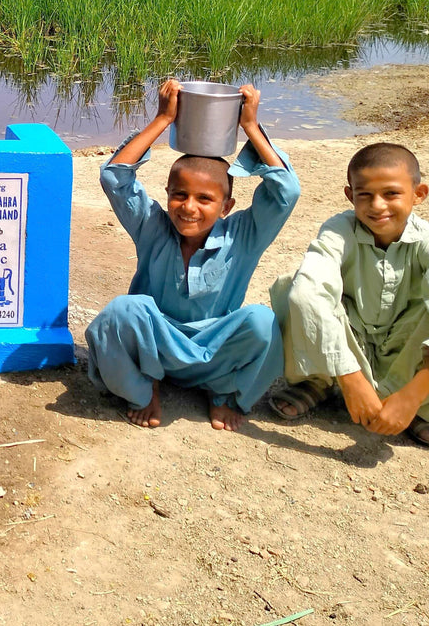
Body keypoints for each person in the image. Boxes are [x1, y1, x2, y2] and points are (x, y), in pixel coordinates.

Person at [85, 79, 301, 431]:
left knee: (262, 322)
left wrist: (249, 125)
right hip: (154, 347)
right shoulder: (152, 226)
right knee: (122, 311)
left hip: (213, 351)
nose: (188, 207)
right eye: (179, 194)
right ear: (167, 193)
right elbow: (114, 178)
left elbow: (286, 191)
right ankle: (143, 390)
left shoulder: (244, 235)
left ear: (227, 206)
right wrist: (163, 119)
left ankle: (223, 393)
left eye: (204, 199)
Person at [269, 143, 429, 447]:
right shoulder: (339, 230)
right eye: (364, 195)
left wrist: (414, 394)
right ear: (349, 195)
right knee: (295, 288)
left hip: (404, 350)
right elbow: (308, 296)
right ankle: (319, 382)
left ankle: (418, 406)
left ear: (418, 194)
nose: (377, 206)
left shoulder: (425, 241)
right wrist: (350, 376)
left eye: (391, 194)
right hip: (352, 344)